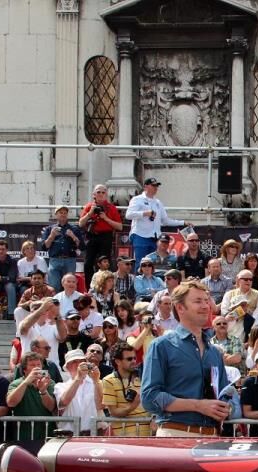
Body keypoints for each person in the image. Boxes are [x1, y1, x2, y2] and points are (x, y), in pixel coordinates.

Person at [141, 281, 231, 437]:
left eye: (206, 301)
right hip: (175, 434)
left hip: (212, 437)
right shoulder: (161, 346)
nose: (205, 306)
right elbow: (150, 397)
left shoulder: (215, 353)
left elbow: (224, 395)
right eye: (198, 301)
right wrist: (197, 406)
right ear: (180, 308)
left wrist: (226, 408)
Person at [126, 177, 188, 266]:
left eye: (157, 186)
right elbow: (128, 215)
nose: (156, 188)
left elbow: (166, 220)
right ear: (146, 187)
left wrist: (182, 222)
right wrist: (145, 213)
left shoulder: (158, 202)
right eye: (153, 185)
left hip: (155, 238)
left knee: (154, 265)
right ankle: (139, 280)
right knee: (141, 263)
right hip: (140, 235)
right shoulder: (137, 199)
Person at [55, 348, 105, 434]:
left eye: (82, 361)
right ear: (67, 367)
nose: (79, 364)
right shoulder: (60, 386)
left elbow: (100, 406)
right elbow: (63, 402)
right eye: (74, 362)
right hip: (69, 434)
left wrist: (96, 381)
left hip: (93, 434)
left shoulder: (97, 382)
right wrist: (78, 378)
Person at [79, 184, 123, 282]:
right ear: (94, 194)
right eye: (98, 192)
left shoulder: (111, 208)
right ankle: (89, 289)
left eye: (103, 192)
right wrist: (89, 214)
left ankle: (104, 286)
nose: (101, 194)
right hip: (91, 236)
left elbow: (120, 226)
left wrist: (106, 218)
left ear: (106, 195)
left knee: (105, 263)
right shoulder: (89, 206)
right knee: (88, 264)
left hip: (105, 237)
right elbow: (81, 224)